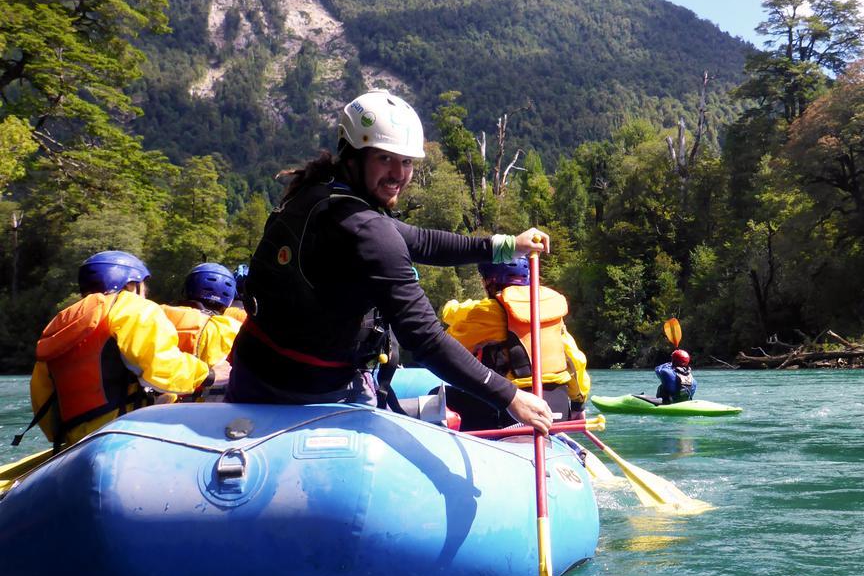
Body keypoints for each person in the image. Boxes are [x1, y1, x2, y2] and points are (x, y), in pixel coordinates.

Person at [227, 89, 554, 434]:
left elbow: (421, 241)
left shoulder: (316, 195)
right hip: (319, 391)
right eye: (385, 159)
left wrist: (506, 245)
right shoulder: (367, 231)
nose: (399, 173)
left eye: (407, 162)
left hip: (255, 369)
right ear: (353, 156)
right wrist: (509, 396)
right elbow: (425, 340)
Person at [24, 251, 214, 450]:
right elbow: (162, 369)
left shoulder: (59, 324)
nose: (146, 292)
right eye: (143, 285)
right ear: (130, 285)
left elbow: (43, 404)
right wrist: (208, 375)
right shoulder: (130, 306)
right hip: (125, 436)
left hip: (75, 445)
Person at [440, 257, 591, 431]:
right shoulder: (547, 310)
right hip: (557, 408)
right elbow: (574, 359)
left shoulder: (489, 311)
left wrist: (453, 313)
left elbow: (447, 347)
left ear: (490, 281)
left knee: (438, 396)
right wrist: (578, 405)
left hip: (511, 409)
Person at [160, 262, 243, 368]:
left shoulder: (160, 312)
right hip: (200, 381)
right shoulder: (233, 329)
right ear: (230, 298)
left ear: (187, 289)